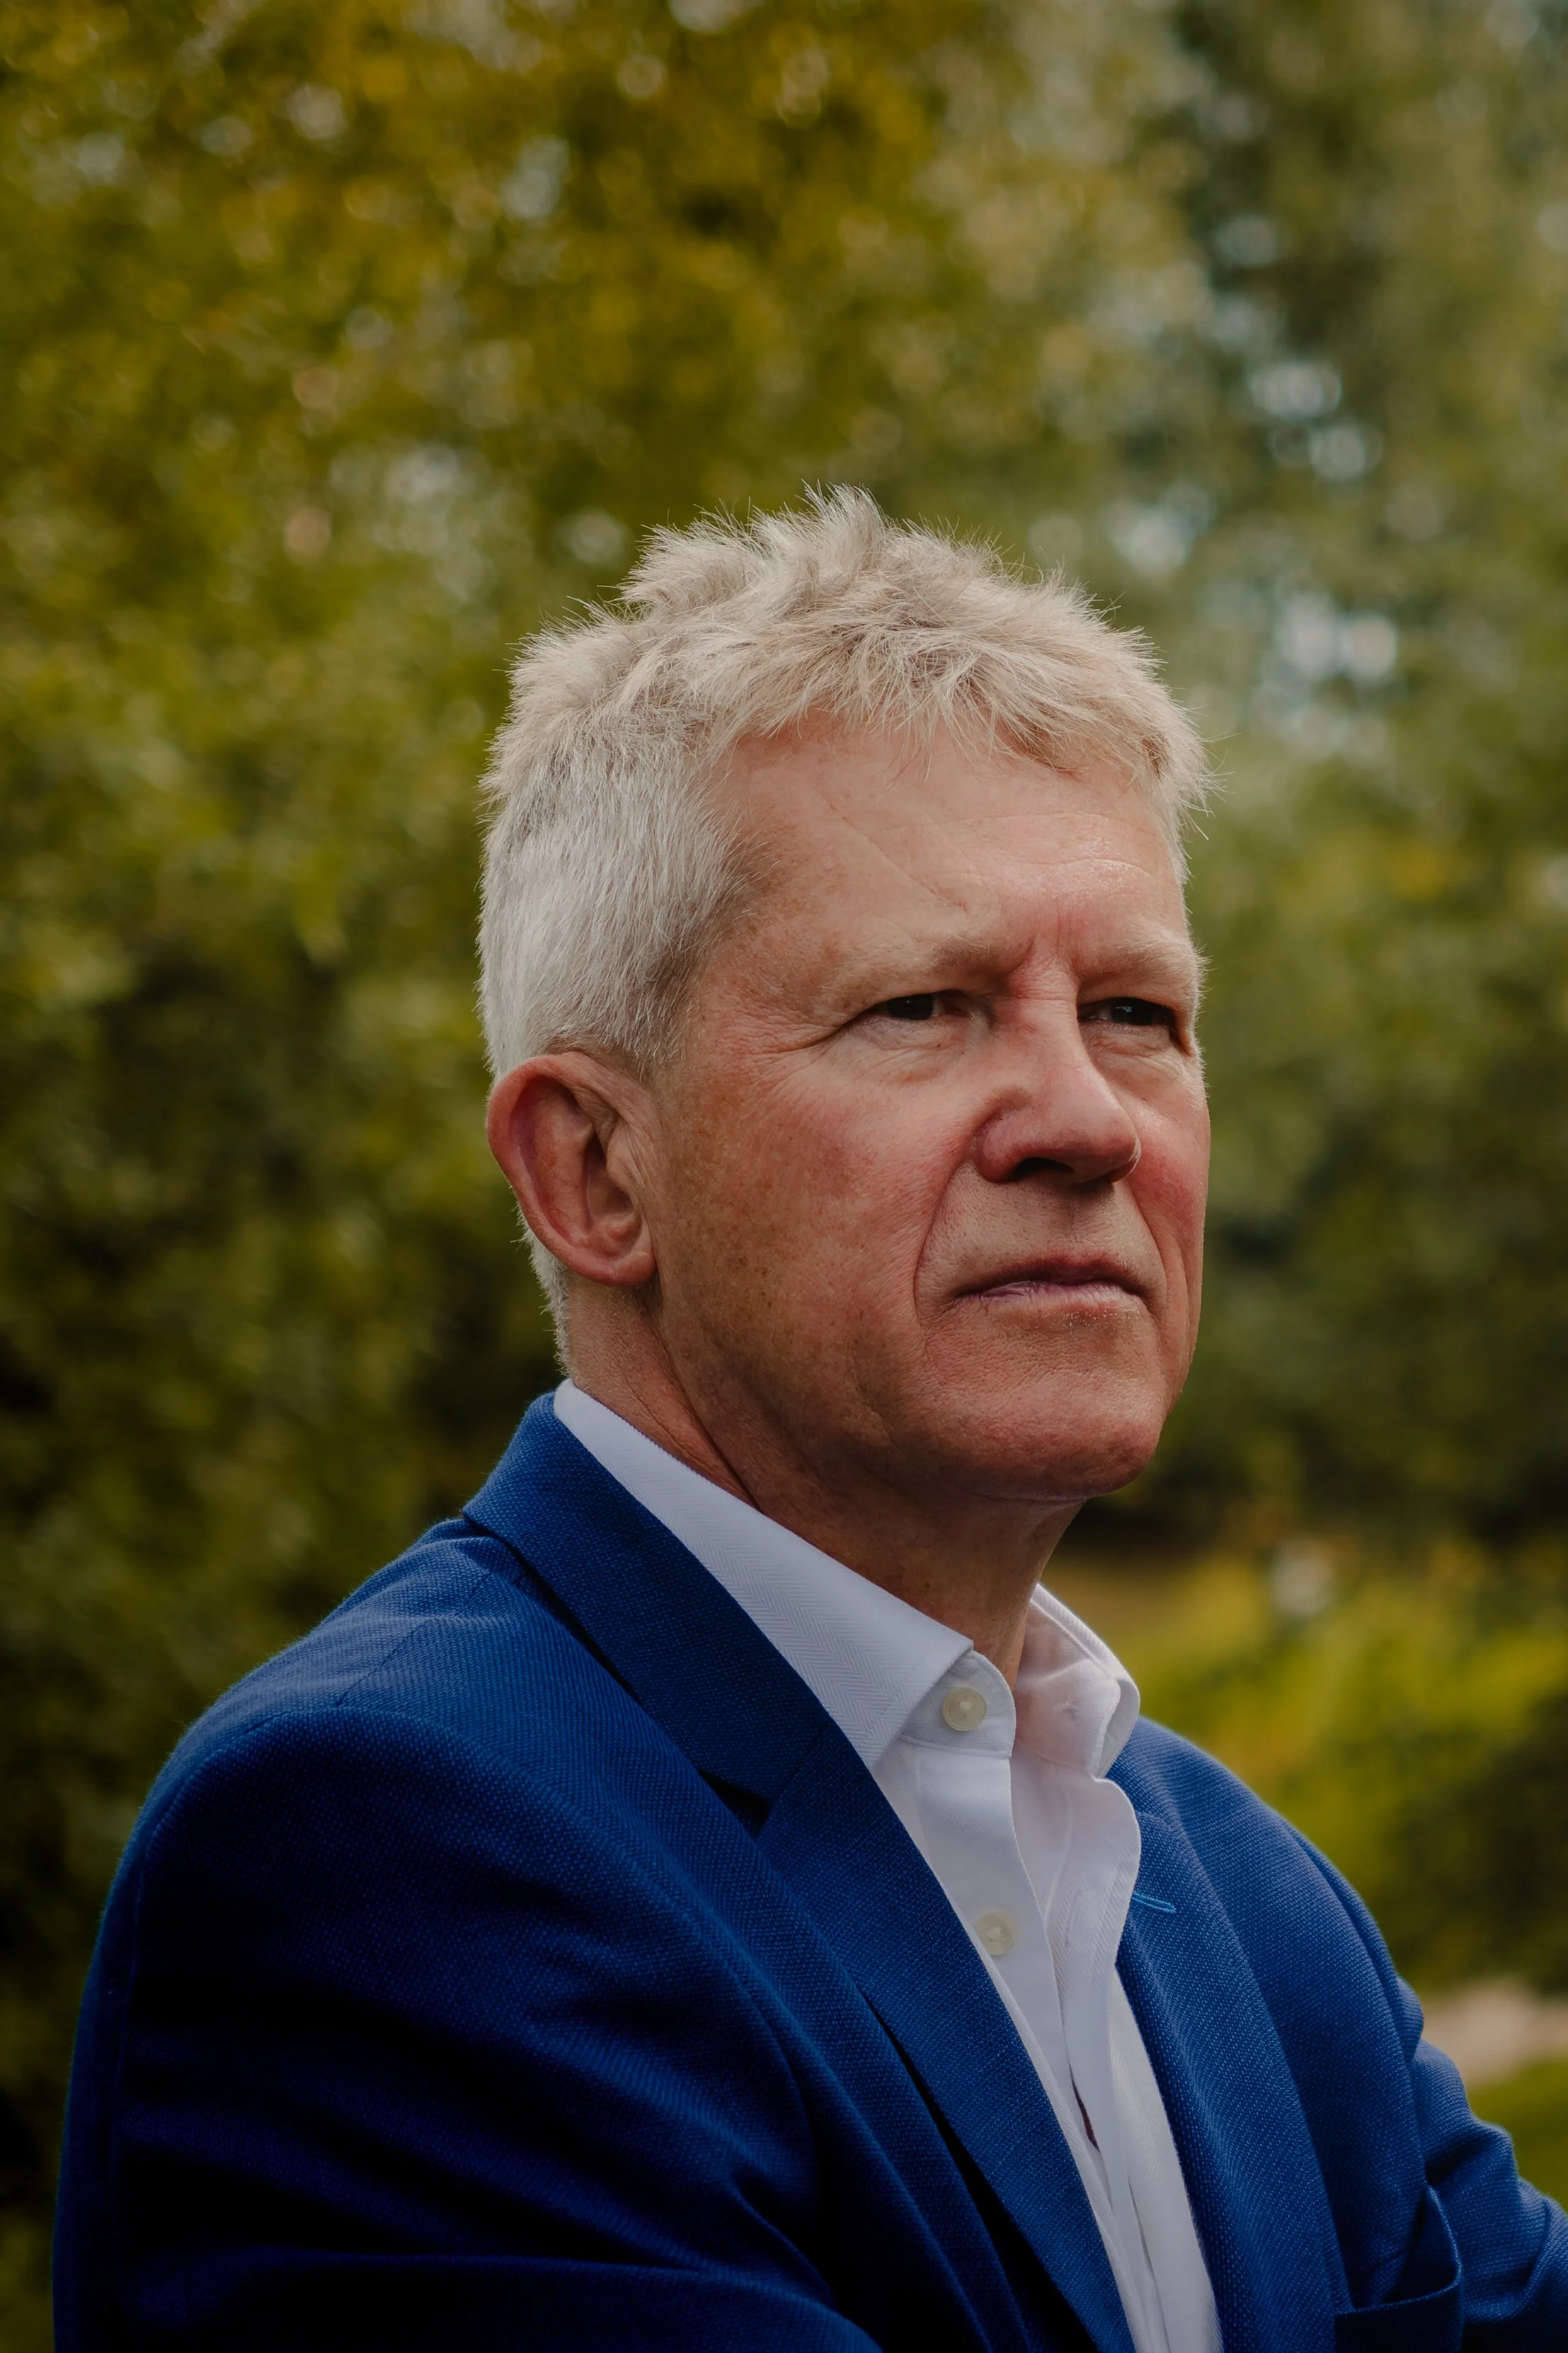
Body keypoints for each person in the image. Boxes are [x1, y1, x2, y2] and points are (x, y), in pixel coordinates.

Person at [56, 491, 1567, 2351]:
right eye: (924, 1007)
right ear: (594, 1171)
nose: (1084, 1118)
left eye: (1133, 1011)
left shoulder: (1233, 1894)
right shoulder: (393, 1855)